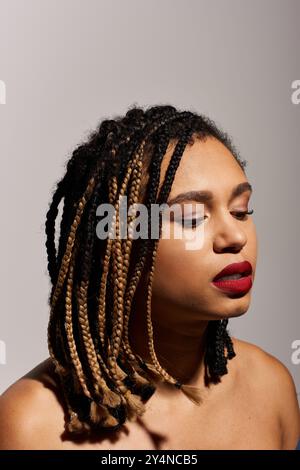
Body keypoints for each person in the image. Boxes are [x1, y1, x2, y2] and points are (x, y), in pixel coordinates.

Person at [0, 105, 299, 450]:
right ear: (116, 244)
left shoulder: (272, 388)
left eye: (241, 211)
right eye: (191, 218)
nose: (236, 237)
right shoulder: (30, 428)